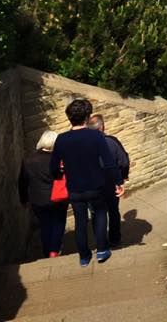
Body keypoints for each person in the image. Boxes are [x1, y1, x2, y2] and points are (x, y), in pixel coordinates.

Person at [50, 99, 124, 267]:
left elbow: (53, 167)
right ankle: (102, 250)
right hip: (96, 185)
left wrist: (59, 174)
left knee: (80, 221)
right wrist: (118, 181)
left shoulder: (61, 139)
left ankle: (84, 256)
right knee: (100, 215)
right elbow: (109, 162)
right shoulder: (95, 136)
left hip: (75, 188)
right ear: (87, 117)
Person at [19, 130, 68, 258]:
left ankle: (47, 251)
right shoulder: (59, 159)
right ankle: (54, 250)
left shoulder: (28, 160)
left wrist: (24, 199)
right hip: (58, 197)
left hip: (38, 199)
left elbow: (22, 181)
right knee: (59, 223)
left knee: (45, 225)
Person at [87, 114, 130, 247]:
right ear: (102, 127)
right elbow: (124, 161)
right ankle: (115, 239)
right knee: (113, 211)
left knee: (96, 213)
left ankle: (101, 243)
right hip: (111, 183)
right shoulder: (111, 141)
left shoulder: (84, 145)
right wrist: (122, 177)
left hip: (92, 184)